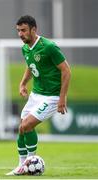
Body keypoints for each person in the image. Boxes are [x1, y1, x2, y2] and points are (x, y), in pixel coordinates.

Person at [6, 15, 71, 176]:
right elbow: (31, 66)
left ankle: (29, 163)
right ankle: (21, 166)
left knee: (27, 125)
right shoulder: (25, 48)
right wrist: (23, 83)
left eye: (23, 30)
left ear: (34, 29)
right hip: (36, 94)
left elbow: (66, 71)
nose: (20, 34)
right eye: (18, 31)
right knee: (21, 128)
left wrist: (62, 98)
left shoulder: (48, 46)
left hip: (52, 97)